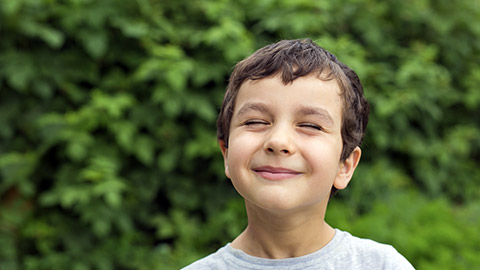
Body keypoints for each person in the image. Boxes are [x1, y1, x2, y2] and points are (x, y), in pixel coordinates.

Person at [182, 39, 414, 269]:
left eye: (311, 126)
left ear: (344, 166)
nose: (278, 141)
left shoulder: (382, 265)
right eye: (255, 121)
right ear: (226, 154)